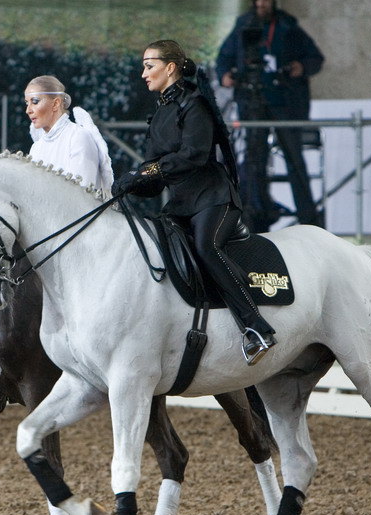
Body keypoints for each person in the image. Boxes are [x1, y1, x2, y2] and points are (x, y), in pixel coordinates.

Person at [112, 39, 275, 365]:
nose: (143, 73)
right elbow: (155, 171)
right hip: (181, 203)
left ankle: (256, 326)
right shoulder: (159, 113)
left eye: (149, 65)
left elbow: (194, 155)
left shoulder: (195, 105)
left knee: (206, 247)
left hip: (213, 199)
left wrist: (146, 172)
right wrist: (133, 184)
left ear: (170, 67)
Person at [216, 0, 325, 231]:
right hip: (252, 104)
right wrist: (225, 74)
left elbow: (315, 58)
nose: (261, 4)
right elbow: (224, 57)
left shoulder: (288, 26)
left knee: (295, 160)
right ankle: (255, 214)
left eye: (266, 1)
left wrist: (301, 67)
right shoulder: (243, 25)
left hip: (285, 105)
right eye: (257, 1)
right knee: (255, 162)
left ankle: (309, 219)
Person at [25, 75, 113, 196]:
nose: (28, 110)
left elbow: (83, 195)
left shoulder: (78, 137)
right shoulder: (36, 148)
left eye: (35, 101)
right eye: (27, 103)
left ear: (56, 103)